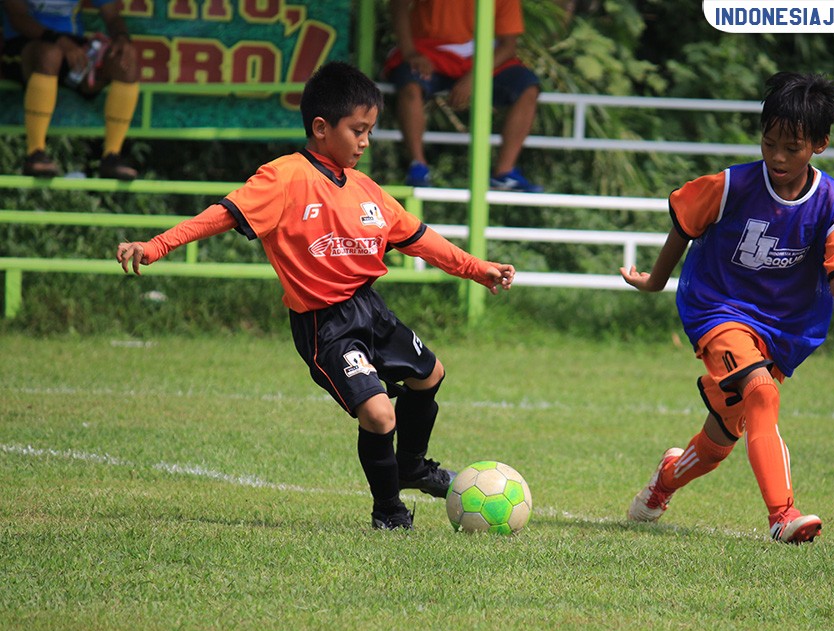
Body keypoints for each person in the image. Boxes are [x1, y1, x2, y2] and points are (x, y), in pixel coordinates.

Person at [116, 61, 516, 531]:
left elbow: (420, 239)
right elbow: (221, 215)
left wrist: (478, 269)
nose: (365, 141)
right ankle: (388, 511)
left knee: (431, 375)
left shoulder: (367, 190)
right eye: (358, 130)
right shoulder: (284, 178)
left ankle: (411, 465)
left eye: (370, 131)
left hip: (370, 309)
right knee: (378, 412)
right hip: (325, 323)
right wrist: (156, 245)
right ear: (321, 128)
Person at [620, 72, 834, 544]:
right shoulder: (731, 185)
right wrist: (656, 281)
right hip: (718, 309)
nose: (778, 157)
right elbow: (684, 223)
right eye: (769, 144)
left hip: (781, 330)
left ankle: (663, 482)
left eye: (792, 147)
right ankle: (782, 515)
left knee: (720, 441)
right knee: (762, 393)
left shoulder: (833, 204)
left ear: (819, 145)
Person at [384, 0, 543, 192]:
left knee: (527, 86)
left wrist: (474, 77)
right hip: (428, 52)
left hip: (481, 59)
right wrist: (410, 53)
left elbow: (508, 46)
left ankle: (504, 172)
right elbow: (398, 5)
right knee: (410, 84)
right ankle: (418, 166)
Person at [2, 0, 140, 179]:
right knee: (50, 54)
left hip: (72, 47)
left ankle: (112, 156)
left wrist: (122, 39)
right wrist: (60, 42)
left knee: (126, 63)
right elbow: (17, 18)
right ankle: (35, 153)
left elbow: (112, 15)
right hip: (26, 45)